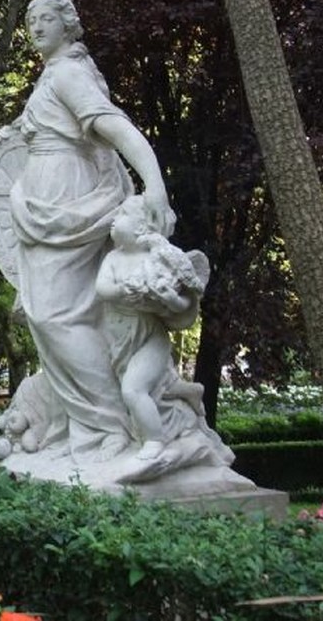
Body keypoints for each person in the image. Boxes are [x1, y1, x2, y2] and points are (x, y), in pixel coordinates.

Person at [0, 0, 176, 462]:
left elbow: (117, 130)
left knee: (57, 316)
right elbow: (44, 130)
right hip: (40, 203)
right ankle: (89, 426)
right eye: (31, 19)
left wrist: (154, 184)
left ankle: (112, 421)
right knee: (51, 316)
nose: (35, 27)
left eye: (46, 18)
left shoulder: (72, 74)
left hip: (67, 203)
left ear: (67, 25)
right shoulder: (50, 77)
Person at [95, 195, 207, 460]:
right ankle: (190, 391)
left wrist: (167, 297)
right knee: (153, 386)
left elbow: (182, 304)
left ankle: (154, 441)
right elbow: (102, 289)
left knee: (134, 389)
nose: (113, 220)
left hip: (151, 337)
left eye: (121, 215)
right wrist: (127, 288)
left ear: (142, 226)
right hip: (122, 341)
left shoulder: (159, 259)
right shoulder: (113, 258)